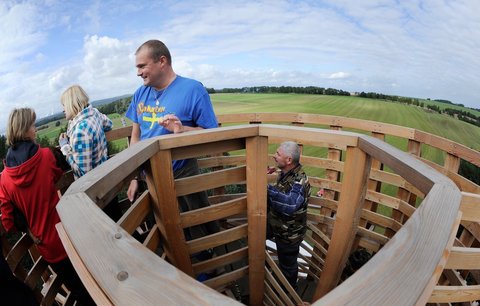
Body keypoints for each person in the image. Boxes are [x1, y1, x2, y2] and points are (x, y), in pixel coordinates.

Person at [125, 40, 220, 244]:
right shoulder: (140, 94)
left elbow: (212, 134)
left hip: (182, 171)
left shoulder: (193, 89)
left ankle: (213, 263)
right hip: (149, 175)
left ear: (162, 61)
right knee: (167, 226)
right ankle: (181, 265)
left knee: (198, 223)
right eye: (137, 67)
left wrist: (182, 130)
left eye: (142, 66)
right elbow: (136, 136)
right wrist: (134, 176)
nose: (138, 73)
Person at [0, 108, 94, 305]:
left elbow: (8, 222)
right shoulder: (45, 156)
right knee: (93, 283)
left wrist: (26, 223)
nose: (35, 130)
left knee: (79, 290)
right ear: (25, 130)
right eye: (33, 125)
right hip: (68, 232)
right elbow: (57, 174)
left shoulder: (5, 179)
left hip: (47, 245)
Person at [58, 85, 121, 221]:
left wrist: (65, 148)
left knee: (107, 227)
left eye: (64, 105)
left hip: (96, 192)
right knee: (119, 221)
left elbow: (83, 172)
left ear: (72, 104)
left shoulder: (81, 130)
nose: (63, 109)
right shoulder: (94, 114)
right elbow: (109, 124)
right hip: (107, 181)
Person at [267, 141, 310, 288]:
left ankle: (288, 292)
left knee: (288, 267)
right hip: (276, 224)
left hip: (289, 234)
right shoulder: (285, 172)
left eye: (278, 154)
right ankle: (267, 271)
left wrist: (265, 187)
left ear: (289, 160)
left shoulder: (300, 180)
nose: (274, 155)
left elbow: (291, 204)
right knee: (254, 234)